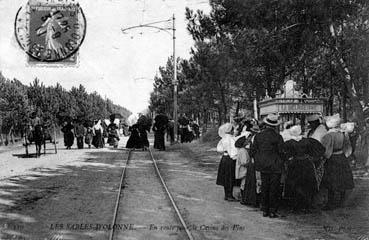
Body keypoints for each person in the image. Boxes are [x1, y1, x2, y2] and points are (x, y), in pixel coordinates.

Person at [283, 125, 325, 212]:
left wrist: (288, 159)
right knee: (307, 184)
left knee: (295, 185)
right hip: (306, 164)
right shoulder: (308, 141)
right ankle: (307, 206)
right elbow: (321, 149)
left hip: (295, 165)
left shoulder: (290, 142)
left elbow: (283, 152)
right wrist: (313, 158)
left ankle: (296, 206)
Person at [250, 114, 285, 218]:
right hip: (275, 165)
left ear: (266, 124)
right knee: (274, 188)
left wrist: (258, 160)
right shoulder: (278, 137)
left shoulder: (258, 136)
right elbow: (282, 151)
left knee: (264, 186)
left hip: (263, 165)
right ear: (275, 126)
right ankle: (272, 211)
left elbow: (252, 151)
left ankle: (264, 209)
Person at [321, 114, 354, 210]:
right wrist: (346, 154)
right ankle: (342, 201)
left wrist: (325, 156)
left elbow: (326, 149)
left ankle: (330, 203)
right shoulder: (343, 133)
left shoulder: (329, 135)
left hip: (332, 158)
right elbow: (347, 146)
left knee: (331, 180)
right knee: (342, 179)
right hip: (341, 157)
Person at [235, 121, 260, 207]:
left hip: (248, 166)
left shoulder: (251, 139)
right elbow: (244, 161)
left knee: (247, 183)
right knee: (246, 183)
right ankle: (246, 197)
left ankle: (246, 197)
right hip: (247, 167)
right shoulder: (244, 150)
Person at [216, 123, 239, 201]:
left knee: (226, 177)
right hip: (230, 159)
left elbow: (219, 149)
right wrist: (235, 157)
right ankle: (229, 195)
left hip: (224, 158)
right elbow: (233, 150)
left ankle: (227, 194)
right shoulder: (231, 139)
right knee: (230, 177)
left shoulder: (223, 138)